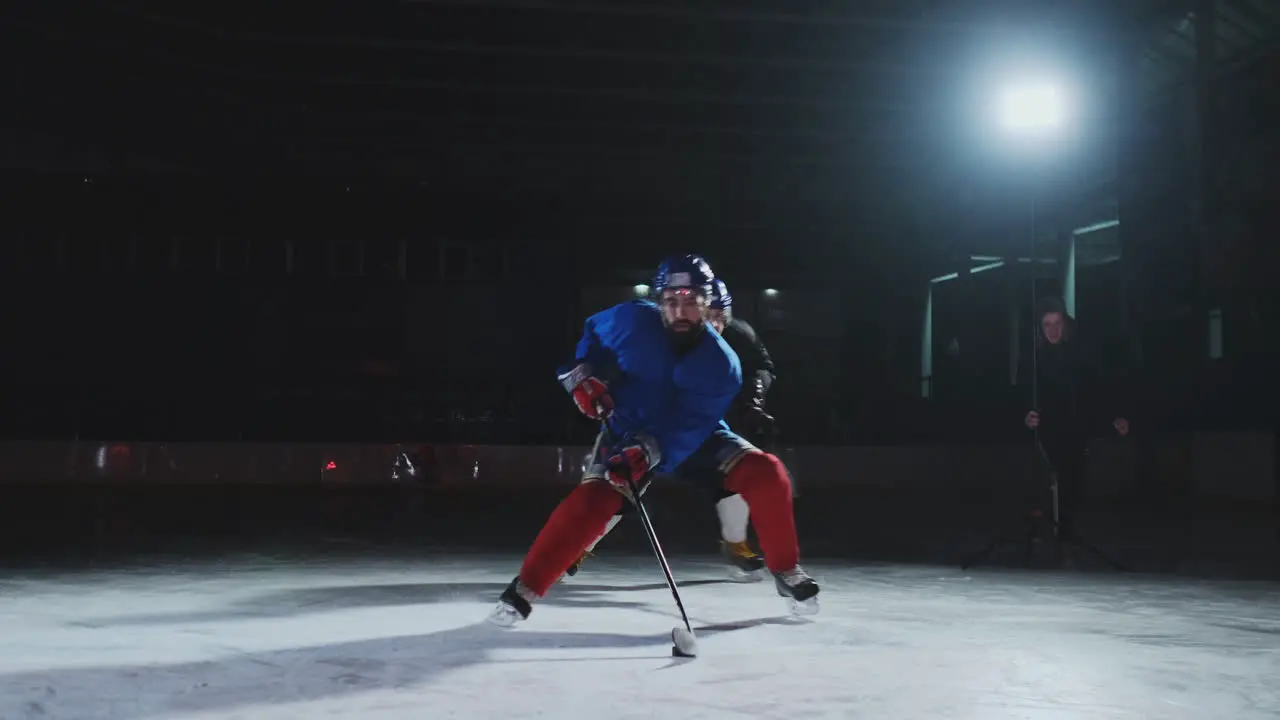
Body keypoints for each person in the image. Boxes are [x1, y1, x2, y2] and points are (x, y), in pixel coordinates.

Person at [490, 255, 818, 625]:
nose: (681, 311)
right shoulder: (631, 319)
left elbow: (688, 426)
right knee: (593, 500)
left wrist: (648, 450)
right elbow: (591, 336)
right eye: (672, 301)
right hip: (626, 429)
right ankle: (526, 588)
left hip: (694, 438)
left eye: (691, 301)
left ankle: (785, 569)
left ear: (708, 303)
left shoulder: (723, 365)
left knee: (767, 471)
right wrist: (582, 376)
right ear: (659, 301)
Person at [566, 278, 773, 581]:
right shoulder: (663, 330)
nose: (712, 323)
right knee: (619, 483)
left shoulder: (737, 337)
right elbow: (625, 358)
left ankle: (736, 544)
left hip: (701, 425)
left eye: (719, 316)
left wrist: (753, 401)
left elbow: (760, 367)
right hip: (647, 422)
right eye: (706, 314)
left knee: (729, 483)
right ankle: (577, 545)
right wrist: (603, 384)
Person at [1022, 296, 1130, 551]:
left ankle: (1067, 532)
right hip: (1047, 430)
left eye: (1057, 323)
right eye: (1047, 324)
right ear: (1040, 327)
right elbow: (1023, 394)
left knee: (1074, 480)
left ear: (1065, 324)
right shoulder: (1034, 359)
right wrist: (1026, 415)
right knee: (1051, 478)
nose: (1053, 330)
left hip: (1077, 426)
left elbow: (1096, 388)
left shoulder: (1079, 354)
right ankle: (1045, 529)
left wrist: (1115, 416)